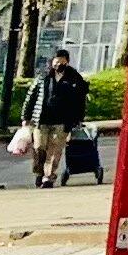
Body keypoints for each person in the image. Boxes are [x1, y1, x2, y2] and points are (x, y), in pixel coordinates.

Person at [25, 50, 90, 190]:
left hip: (62, 120)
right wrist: (26, 116)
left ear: (67, 62)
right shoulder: (43, 77)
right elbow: (31, 96)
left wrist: (78, 118)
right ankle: (39, 172)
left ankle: (49, 177)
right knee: (39, 147)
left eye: (62, 62)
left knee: (55, 150)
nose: (58, 64)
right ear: (52, 62)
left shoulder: (74, 78)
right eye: (56, 61)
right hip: (41, 120)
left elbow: (81, 99)